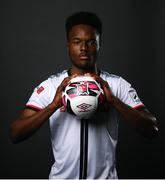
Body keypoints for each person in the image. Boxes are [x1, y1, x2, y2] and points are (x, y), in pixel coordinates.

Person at [10, 11, 158, 179]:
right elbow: (16, 133)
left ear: (99, 44)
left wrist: (114, 101)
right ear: (68, 45)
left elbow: (152, 129)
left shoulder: (116, 84)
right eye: (77, 41)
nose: (84, 48)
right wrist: (53, 105)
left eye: (91, 42)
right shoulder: (51, 85)